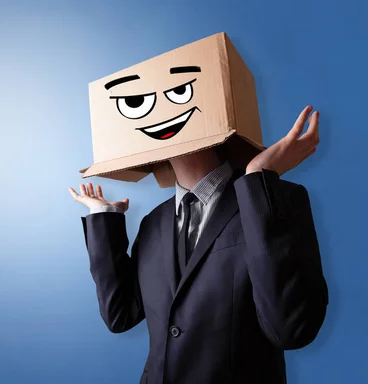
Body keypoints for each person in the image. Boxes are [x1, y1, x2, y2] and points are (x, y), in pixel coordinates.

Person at [69, 106, 328, 384]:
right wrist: (104, 218)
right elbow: (120, 316)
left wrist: (258, 178)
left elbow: (290, 329)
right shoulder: (153, 222)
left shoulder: (271, 199)